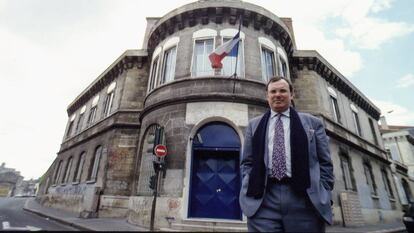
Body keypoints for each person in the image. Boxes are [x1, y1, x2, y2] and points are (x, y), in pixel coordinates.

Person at [239, 76, 334, 232]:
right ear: (267, 96)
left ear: (292, 94)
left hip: (305, 199)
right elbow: (247, 162)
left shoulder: (313, 123)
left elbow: (325, 162)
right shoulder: (254, 125)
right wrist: (248, 183)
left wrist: (323, 189)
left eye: (283, 90)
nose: (278, 94)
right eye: (273, 91)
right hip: (263, 199)